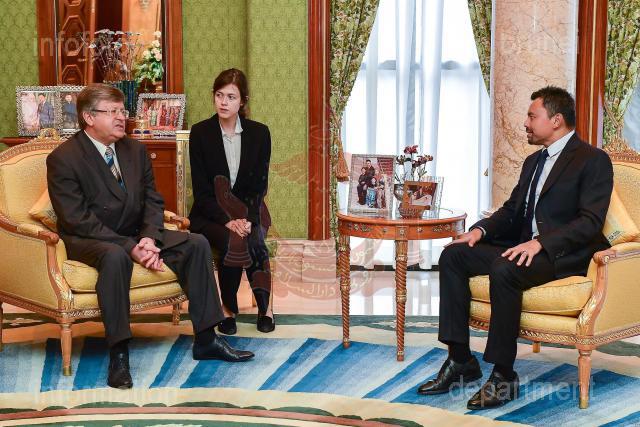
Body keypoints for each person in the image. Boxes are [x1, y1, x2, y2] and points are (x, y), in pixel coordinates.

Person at [46, 84, 254, 390]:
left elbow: (153, 201)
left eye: (122, 111)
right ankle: (119, 353)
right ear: (89, 117)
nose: (122, 117)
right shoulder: (64, 158)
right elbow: (77, 220)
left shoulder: (134, 150)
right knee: (115, 257)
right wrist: (130, 247)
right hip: (89, 239)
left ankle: (207, 339)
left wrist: (149, 239)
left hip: (135, 233)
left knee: (196, 243)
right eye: (113, 112)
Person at [417, 86, 613, 409]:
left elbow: (590, 222)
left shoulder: (593, 160)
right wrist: (479, 231)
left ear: (556, 120)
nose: (525, 122)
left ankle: (504, 375)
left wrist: (541, 243)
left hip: (560, 254)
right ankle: (461, 360)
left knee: (504, 268)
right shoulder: (533, 162)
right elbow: (511, 212)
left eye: (532, 116)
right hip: (524, 248)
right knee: (453, 255)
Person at [188, 68, 275, 335]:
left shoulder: (259, 134)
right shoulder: (200, 133)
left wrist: (247, 219)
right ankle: (228, 309)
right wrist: (228, 221)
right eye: (219, 95)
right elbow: (202, 191)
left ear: (243, 101)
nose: (223, 102)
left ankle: (266, 309)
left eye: (231, 97)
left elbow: (259, 185)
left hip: (250, 211)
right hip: (210, 214)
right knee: (233, 240)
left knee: (254, 239)